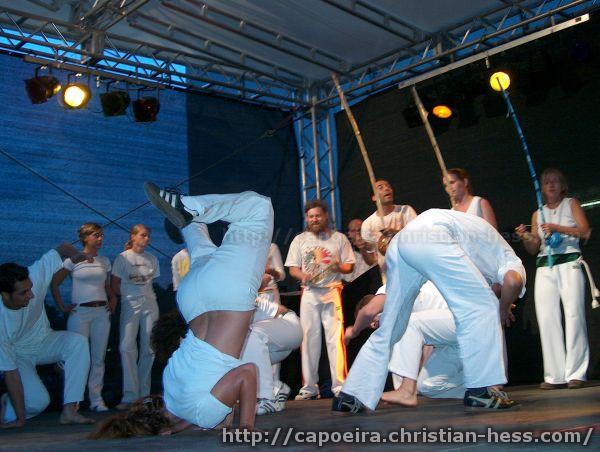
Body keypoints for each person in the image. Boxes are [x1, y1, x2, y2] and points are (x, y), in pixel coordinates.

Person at [335, 209, 525, 413]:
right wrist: (503, 308)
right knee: (481, 306)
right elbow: (513, 282)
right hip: (431, 235)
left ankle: (352, 394)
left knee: (392, 324)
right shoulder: (511, 260)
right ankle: (481, 391)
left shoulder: (482, 249)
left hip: (402, 241)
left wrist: (355, 331)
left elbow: (494, 287)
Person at [144, 184, 272, 433]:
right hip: (192, 297)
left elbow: (246, 373)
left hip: (228, 296)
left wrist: (246, 426)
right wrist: (177, 427)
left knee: (259, 207)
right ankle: (188, 219)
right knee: (199, 241)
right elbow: (187, 413)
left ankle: (188, 206)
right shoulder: (170, 391)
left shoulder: (204, 416)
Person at [0, 243, 94, 427]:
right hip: (18, 356)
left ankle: (70, 411)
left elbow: (62, 248)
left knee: (78, 343)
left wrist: (75, 255)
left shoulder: (35, 275)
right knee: (38, 402)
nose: (31, 295)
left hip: (44, 340)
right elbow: (11, 374)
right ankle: (9, 405)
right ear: (5, 295)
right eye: (24, 293)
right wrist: (21, 420)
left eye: (30, 288)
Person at [515, 168, 591, 390]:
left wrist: (558, 228)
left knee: (574, 315)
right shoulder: (537, 214)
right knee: (547, 318)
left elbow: (585, 231)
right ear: (541, 187)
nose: (551, 185)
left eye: (555, 181)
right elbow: (533, 248)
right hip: (545, 267)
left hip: (570, 263)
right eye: (546, 182)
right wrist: (526, 236)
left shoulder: (571, 204)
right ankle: (554, 375)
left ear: (563, 185)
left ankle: (576, 372)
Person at [285, 199, 355, 400]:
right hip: (309, 293)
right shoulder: (300, 240)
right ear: (307, 219)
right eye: (311, 216)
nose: (314, 219)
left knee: (335, 339)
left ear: (326, 217)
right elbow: (293, 268)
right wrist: (302, 276)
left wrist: (339, 267)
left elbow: (349, 265)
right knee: (308, 340)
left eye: (318, 216)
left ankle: (339, 386)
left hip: (332, 292)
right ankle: (309, 387)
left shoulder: (339, 238)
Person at [50, 223, 116, 412]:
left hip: (101, 312)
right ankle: (74, 402)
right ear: (85, 238)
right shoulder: (73, 260)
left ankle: (96, 400)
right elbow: (54, 284)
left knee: (98, 357)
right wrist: (62, 306)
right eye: (96, 235)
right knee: (76, 357)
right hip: (80, 313)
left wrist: (113, 298)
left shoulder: (104, 261)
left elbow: (107, 286)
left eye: (101, 235)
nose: (100, 238)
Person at [112, 224, 159, 410]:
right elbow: (114, 283)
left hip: (149, 303)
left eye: (148, 236)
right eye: (143, 235)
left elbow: (152, 283)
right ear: (133, 236)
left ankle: (144, 394)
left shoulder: (152, 258)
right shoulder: (123, 258)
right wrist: (126, 296)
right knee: (126, 346)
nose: (146, 239)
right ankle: (130, 395)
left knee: (149, 348)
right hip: (130, 304)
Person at [241, 293, 302, 415]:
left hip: (289, 326)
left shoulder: (240, 298)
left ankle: (267, 397)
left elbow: (281, 310)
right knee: (238, 352)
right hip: (271, 345)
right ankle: (276, 388)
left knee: (250, 335)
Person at [360, 180, 417, 276]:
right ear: (374, 197)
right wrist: (362, 248)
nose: (387, 188)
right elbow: (371, 261)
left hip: (413, 268)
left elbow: (419, 237)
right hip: (390, 275)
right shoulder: (368, 224)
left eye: (388, 186)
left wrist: (397, 233)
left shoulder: (405, 210)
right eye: (380, 187)